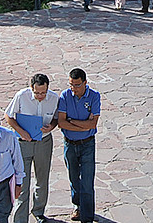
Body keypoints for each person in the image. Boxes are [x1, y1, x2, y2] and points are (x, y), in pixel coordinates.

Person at [4, 74, 59, 223]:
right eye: (37, 93)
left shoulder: (54, 98)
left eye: (43, 92)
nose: (40, 96)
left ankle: (39, 212)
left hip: (43, 142)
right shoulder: (21, 96)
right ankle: (21, 219)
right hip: (23, 143)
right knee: (22, 180)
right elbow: (9, 116)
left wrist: (51, 127)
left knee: (42, 178)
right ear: (31, 89)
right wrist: (21, 131)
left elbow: (56, 118)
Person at [57, 68, 101, 223]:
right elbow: (61, 122)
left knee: (87, 180)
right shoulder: (65, 96)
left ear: (85, 83)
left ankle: (87, 216)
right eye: (71, 85)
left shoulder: (94, 96)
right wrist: (83, 125)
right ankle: (77, 205)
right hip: (69, 144)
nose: (73, 88)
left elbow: (93, 124)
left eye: (76, 85)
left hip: (87, 144)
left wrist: (72, 121)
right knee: (73, 177)